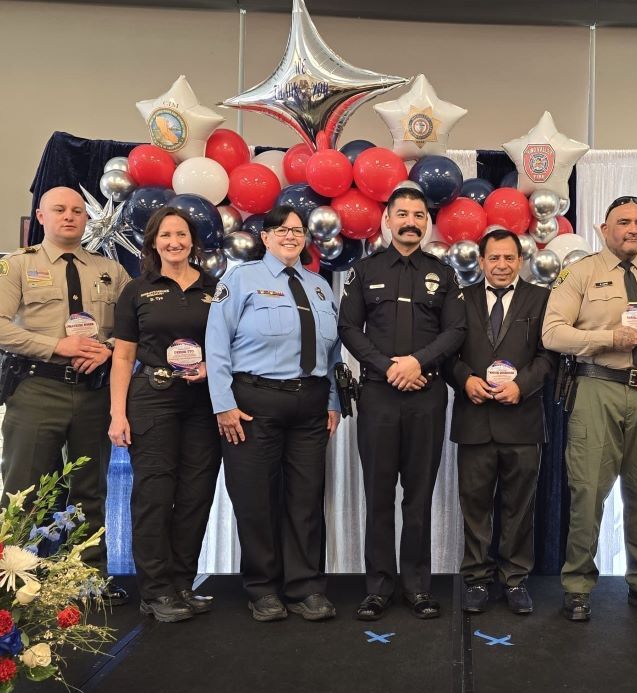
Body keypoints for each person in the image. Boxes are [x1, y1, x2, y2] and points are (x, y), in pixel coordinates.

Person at [0, 186, 131, 604]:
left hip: (93, 394)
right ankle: (11, 586)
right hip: (36, 390)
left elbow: (134, 329)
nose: (70, 216)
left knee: (90, 490)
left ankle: (88, 582)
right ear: (41, 217)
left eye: (78, 210)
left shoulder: (110, 271)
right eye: (59, 209)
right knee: (22, 491)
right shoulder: (16, 266)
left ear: (87, 219)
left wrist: (108, 349)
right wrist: (54, 346)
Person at [542, 195, 637, 622]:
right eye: (623, 222)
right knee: (588, 492)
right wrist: (609, 337)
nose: (633, 230)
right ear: (604, 229)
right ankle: (577, 587)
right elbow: (552, 334)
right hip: (596, 389)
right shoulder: (581, 274)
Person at [205, 205, 343, 623]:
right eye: (281, 230)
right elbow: (216, 344)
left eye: (297, 231)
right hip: (252, 403)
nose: (290, 236)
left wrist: (333, 400)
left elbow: (333, 353)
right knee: (256, 499)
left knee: (305, 499)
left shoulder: (320, 286)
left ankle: (305, 587)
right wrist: (223, 404)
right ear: (264, 237)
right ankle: (262, 588)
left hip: (311, 405)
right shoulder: (240, 279)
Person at [338, 187, 466, 621]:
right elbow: (349, 328)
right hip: (377, 396)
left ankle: (416, 588)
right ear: (388, 221)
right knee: (377, 496)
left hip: (427, 397)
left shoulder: (443, 274)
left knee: (418, 497)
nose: (411, 221)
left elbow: (455, 332)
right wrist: (388, 366)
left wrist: (416, 363)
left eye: (418, 215)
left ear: (426, 223)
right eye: (403, 214)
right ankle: (377, 588)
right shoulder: (363, 270)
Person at [107, 207, 221, 623]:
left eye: (182, 234)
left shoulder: (216, 289)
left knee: (195, 495)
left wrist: (213, 368)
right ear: (154, 242)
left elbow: (230, 345)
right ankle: (154, 591)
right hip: (152, 398)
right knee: (155, 495)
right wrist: (117, 414)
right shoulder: (137, 290)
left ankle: (181, 584)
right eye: (166, 235)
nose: (175, 242)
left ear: (193, 241)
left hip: (203, 402)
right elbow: (122, 356)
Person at [443, 229, 555, 615]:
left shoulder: (542, 299)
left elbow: (549, 357)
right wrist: (464, 379)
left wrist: (521, 387)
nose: (502, 265)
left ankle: (515, 579)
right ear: (481, 261)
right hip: (474, 420)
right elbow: (446, 353)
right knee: (474, 506)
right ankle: (475, 579)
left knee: (519, 508)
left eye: (509, 258)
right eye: (494, 258)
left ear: (520, 261)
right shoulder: (459, 299)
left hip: (522, 421)